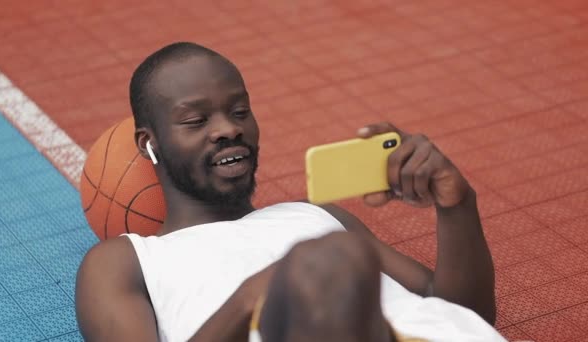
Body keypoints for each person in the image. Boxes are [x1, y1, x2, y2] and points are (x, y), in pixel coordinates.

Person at [75, 42, 504, 342]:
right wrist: (256, 298)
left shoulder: (316, 215)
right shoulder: (126, 261)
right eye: (195, 120)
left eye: (239, 111)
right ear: (148, 143)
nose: (228, 128)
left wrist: (457, 206)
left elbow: (463, 316)